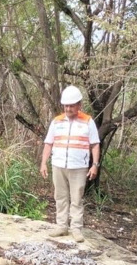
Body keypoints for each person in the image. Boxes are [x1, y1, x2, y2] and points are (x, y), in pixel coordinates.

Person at [40, 85, 100, 243]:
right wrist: (44, 163)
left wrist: (95, 165)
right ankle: (61, 226)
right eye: (66, 105)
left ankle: (76, 228)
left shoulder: (88, 122)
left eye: (71, 105)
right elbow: (48, 143)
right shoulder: (57, 122)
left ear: (79, 105)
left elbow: (95, 144)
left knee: (76, 198)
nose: (68, 108)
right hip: (59, 165)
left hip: (78, 166)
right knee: (60, 196)